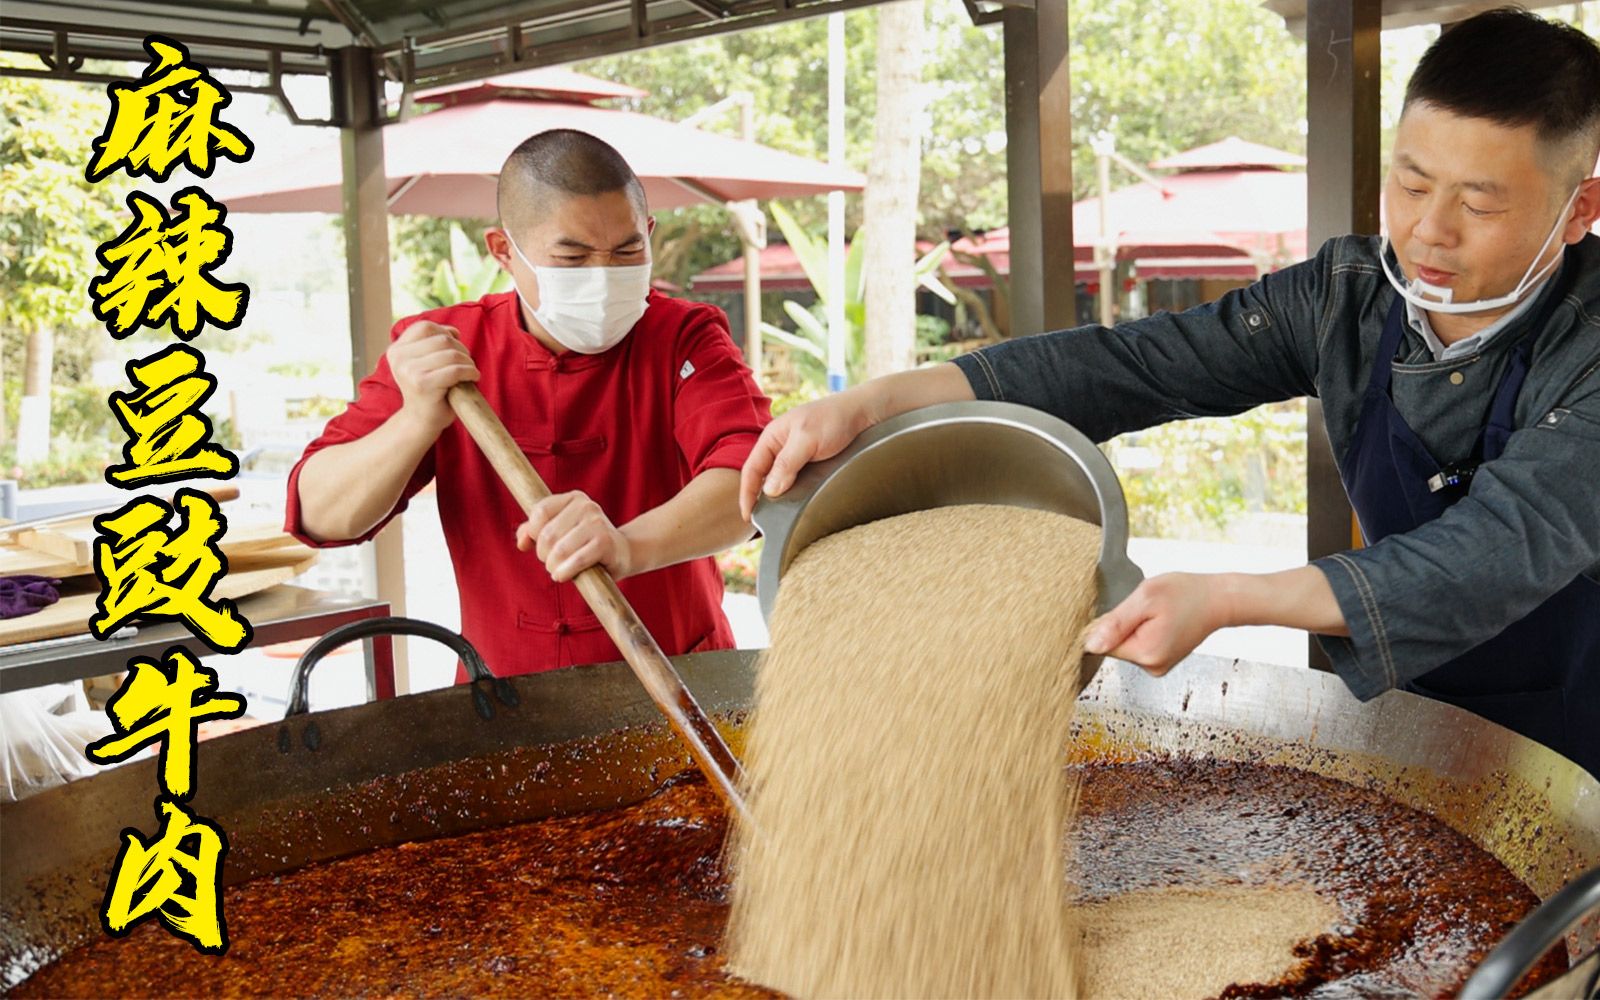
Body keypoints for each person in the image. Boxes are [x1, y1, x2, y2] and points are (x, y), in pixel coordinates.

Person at [739, 8, 1600, 777]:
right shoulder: (1348, 298)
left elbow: (1500, 548)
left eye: (1479, 205)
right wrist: (890, 400)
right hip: (1416, 724)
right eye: (1411, 184)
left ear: (1577, 209)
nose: (1426, 229)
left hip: (1580, 732)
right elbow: (1138, 364)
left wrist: (1230, 596)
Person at [289, 129, 770, 677]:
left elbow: (748, 479)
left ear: (650, 233)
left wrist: (626, 545)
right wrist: (417, 418)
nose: (603, 274)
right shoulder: (444, 349)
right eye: (572, 255)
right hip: (504, 702)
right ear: (503, 251)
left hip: (679, 680)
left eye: (627, 250)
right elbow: (320, 513)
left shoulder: (685, 336)